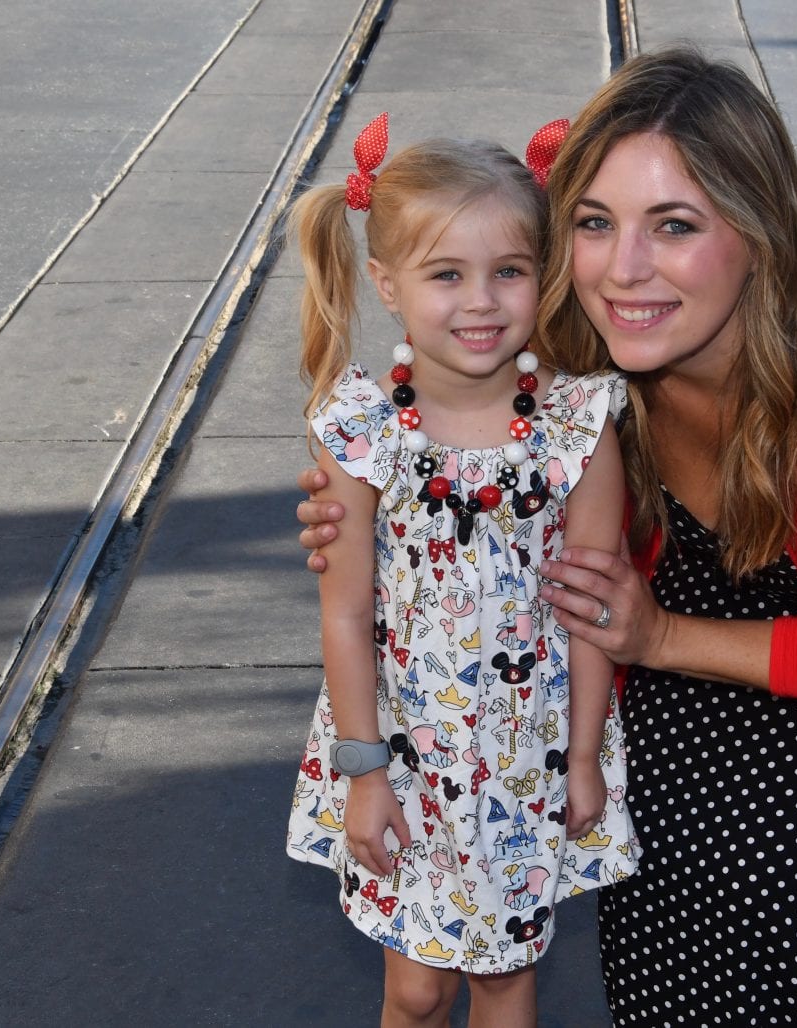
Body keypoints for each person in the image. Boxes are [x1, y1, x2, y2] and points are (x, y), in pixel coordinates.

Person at [296, 48, 797, 1028]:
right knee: (652, 820)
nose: (624, 270)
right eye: (594, 223)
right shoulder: (579, 335)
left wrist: (659, 636)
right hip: (690, 570)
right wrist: (366, 506)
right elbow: (460, 421)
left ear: (758, 232)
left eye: (674, 225)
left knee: (785, 856)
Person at [283, 113, 638, 1028]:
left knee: (505, 980)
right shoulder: (367, 434)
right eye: (448, 274)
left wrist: (585, 759)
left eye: (508, 272)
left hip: (527, 756)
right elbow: (344, 616)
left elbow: (595, 606)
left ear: (541, 276)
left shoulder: (576, 427)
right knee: (414, 986)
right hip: (402, 750)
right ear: (387, 285)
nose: (481, 301)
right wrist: (365, 774)